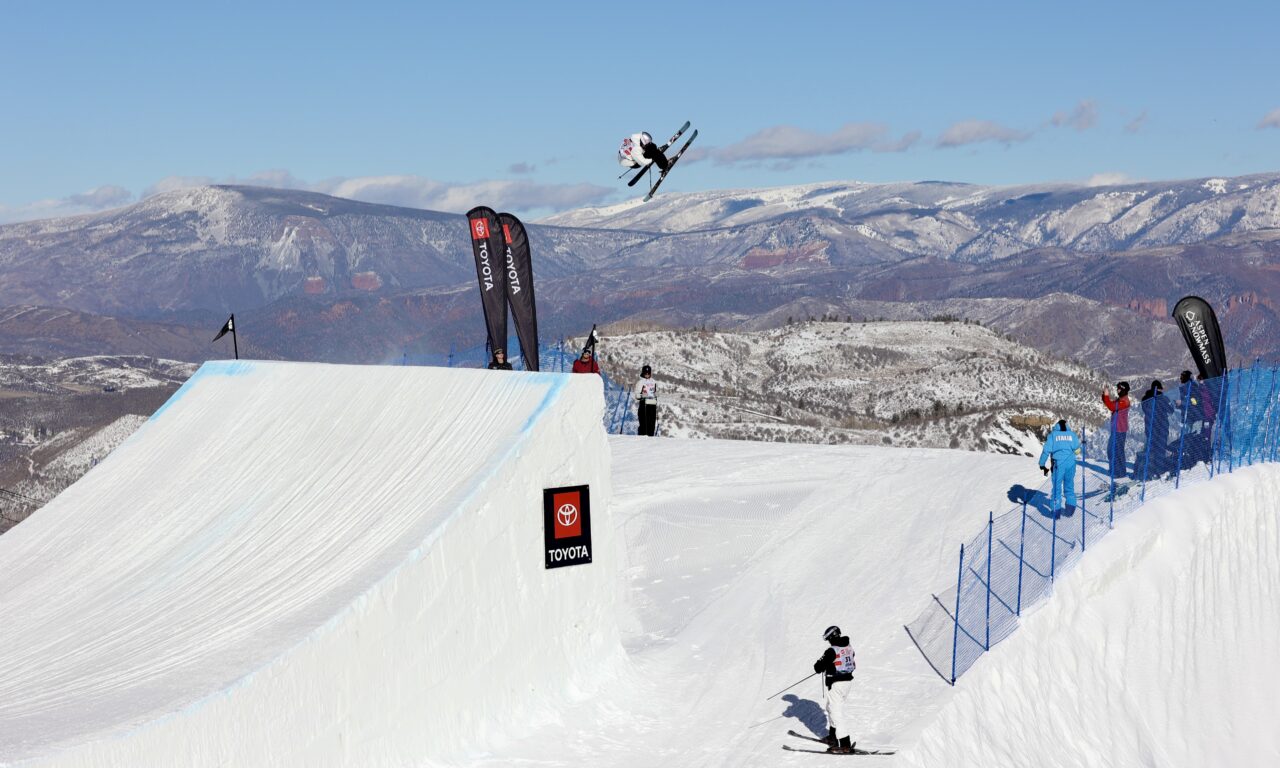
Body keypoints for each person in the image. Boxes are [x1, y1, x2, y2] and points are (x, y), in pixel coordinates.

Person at [813, 625, 856, 754]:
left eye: (828, 639)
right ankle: (832, 737)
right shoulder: (849, 646)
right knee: (830, 707)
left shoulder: (832, 650)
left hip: (837, 684)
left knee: (836, 713)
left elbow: (817, 667)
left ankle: (845, 744)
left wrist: (822, 666)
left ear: (832, 637)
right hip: (847, 683)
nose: (828, 642)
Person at [1038, 419, 1081, 516]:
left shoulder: (1053, 435)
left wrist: (1042, 463)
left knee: (1057, 488)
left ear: (1056, 427)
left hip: (1058, 464)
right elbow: (1078, 450)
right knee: (1069, 486)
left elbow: (1046, 451)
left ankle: (1056, 512)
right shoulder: (1072, 435)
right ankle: (1070, 510)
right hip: (1071, 464)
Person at [1139, 380, 1173, 477]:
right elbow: (1171, 410)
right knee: (1160, 450)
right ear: (1158, 389)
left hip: (1149, 427)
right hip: (1162, 428)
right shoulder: (1163, 399)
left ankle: (1149, 471)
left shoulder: (1145, 399)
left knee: (1150, 449)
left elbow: (1145, 410)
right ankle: (1159, 471)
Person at [1102, 381, 1131, 481]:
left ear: (1123, 389)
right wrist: (1104, 395)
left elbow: (1111, 406)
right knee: (1115, 451)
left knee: (1115, 451)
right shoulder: (1121, 399)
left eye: (1119, 389)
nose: (1117, 390)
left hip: (1119, 430)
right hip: (1117, 429)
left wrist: (1106, 395)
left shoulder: (1124, 401)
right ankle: (1118, 472)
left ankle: (1119, 473)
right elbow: (1111, 404)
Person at [634, 364, 658, 436]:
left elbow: (656, 392)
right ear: (643, 373)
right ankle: (642, 439)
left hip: (652, 405)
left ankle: (651, 439)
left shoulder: (653, 382)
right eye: (645, 373)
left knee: (651, 425)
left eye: (648, 373)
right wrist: (643, 396)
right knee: (643, 424)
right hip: (643, 405)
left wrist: (655, 396)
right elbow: (637, 395)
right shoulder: (640, 382)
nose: (647, 375)